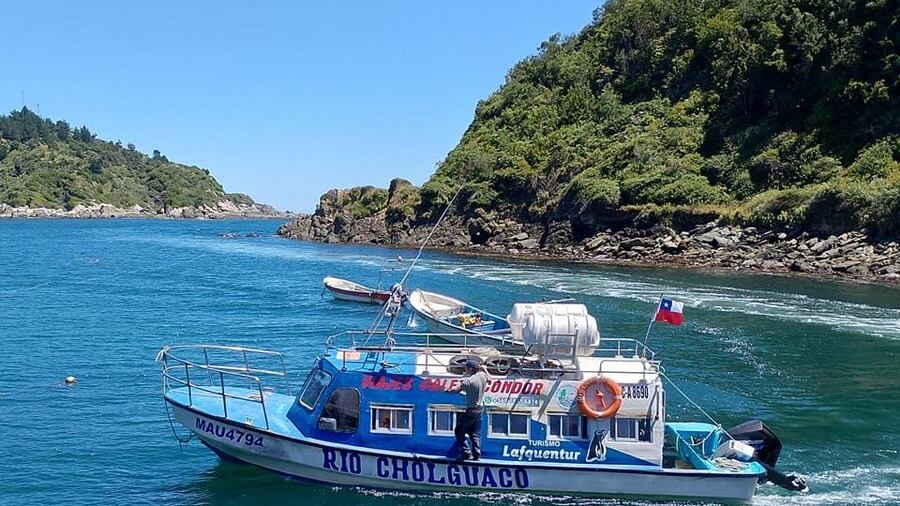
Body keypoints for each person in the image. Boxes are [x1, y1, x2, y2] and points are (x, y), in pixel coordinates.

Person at [446, 359, 488, 460]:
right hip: (480, 409)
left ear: (470, 369)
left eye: (466, 368)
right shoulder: (482, 376)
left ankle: (466, 453)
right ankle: (477, 454)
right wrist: (485, 370)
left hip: (471, 410)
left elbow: (454, 390)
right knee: (474, 433)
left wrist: (447, 390)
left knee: (459, 431)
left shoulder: (469, 381)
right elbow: (489, 378)